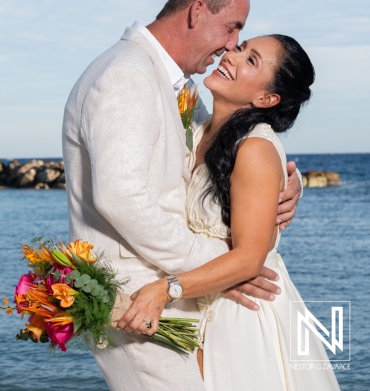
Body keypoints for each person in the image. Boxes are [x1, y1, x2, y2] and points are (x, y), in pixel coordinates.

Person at [62, 0, 302, 391]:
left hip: (174, 298)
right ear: (196, 12)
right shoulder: (127, 75)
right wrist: (219, 267)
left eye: (243, 44)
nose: (230, 46)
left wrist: (286, 185)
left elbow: (235, 149)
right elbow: (120, 198)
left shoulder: (181, 92)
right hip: (135, 296)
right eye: (233, 30)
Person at [120, 35, 340, 390]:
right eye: (240, 48)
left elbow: (250, 259)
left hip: (243, 311)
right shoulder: (202, 126)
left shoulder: (253, 146)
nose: (231, 56)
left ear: (266, 99)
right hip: (209, 303)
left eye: (251, 60)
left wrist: (165, 289)